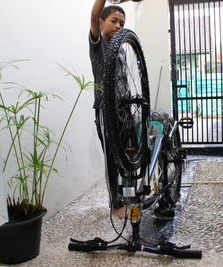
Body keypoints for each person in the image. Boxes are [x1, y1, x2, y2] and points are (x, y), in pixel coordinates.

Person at [89, 0, 140, 218]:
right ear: (102, 23)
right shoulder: (98, 44)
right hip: (105, 108)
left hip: (124, 108)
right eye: (113, 21)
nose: (119, 25)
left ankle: (129, 196)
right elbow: (93, 16)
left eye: (122, 22)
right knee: (111, 157)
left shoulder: (121, 48)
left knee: (129, 153)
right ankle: (115, 204)